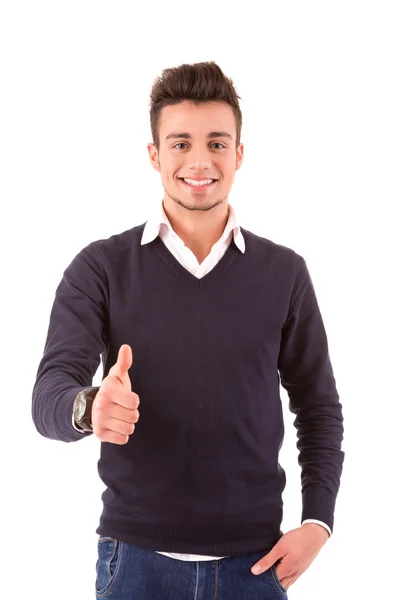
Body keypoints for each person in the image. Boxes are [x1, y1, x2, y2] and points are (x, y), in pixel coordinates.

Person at [32, 60, 345, 599]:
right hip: (134, 567)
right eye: (180, 143)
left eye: (217, 143)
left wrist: (318, 522)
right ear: (154, 155)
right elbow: (48, 396)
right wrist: (90, 408)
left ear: (239, 154)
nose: (199, 161)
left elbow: (318, 409)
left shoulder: (285, 272)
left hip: (255, 567)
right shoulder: (101, 268)